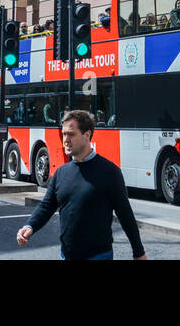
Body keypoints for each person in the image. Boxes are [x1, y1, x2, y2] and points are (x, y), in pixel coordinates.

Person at [18, 109, 146, 260]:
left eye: (71, 134)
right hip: (66, 255)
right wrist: (29, 226)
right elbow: (47, 206)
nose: (65, 139)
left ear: (87, 135)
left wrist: (138, 252)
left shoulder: (110, 172)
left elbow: (125, 214)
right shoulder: (61, 173)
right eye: (64, 134)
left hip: (98, 256)